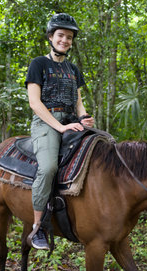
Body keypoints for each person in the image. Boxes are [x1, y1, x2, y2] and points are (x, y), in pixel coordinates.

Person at [25, 13, 94, 250]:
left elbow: (78, 102)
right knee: (48, 167)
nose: (65, 40)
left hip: (72, 121)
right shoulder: (38, 64)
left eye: (69, 37)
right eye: (61, 35)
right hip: (47, 122)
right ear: (51, 37)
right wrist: (60, 127)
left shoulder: (73, 69)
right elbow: (35, 103)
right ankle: (37, 228)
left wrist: (85, 117)